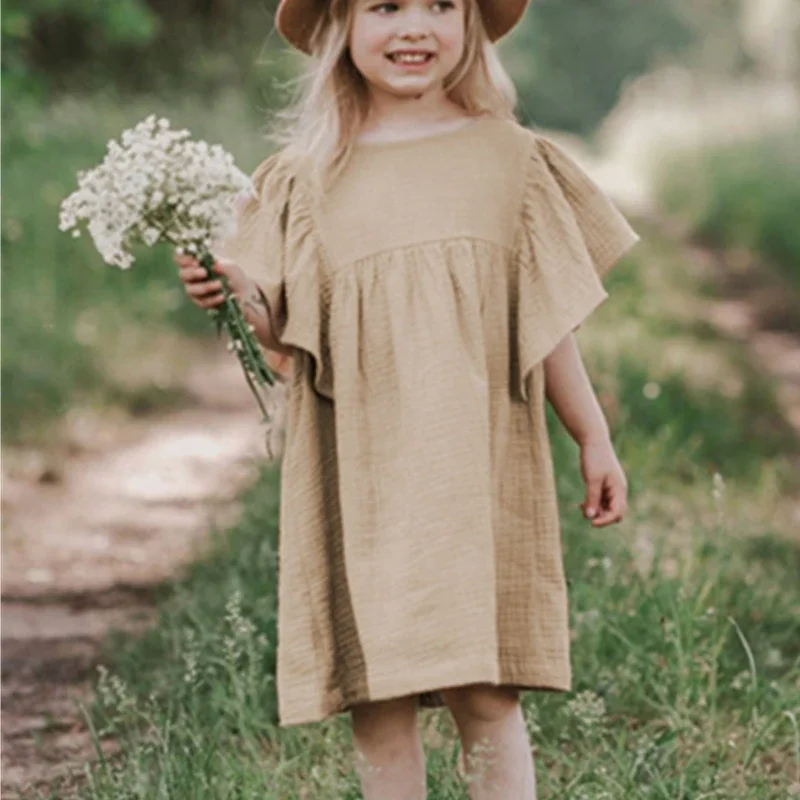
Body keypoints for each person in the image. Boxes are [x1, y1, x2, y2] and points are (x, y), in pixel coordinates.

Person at [175, 0, 640, 796]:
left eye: (441, 5)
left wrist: (591, 434)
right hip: (365, 478)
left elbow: (547, 315)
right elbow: (280, 332)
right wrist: (231, 292)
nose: (415, 27)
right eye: (386, 6)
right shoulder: (307, 177)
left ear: (470, 26)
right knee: (379, 699)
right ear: (342, 29)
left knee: (487, 691)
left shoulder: (511, 161)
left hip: (476, 472)